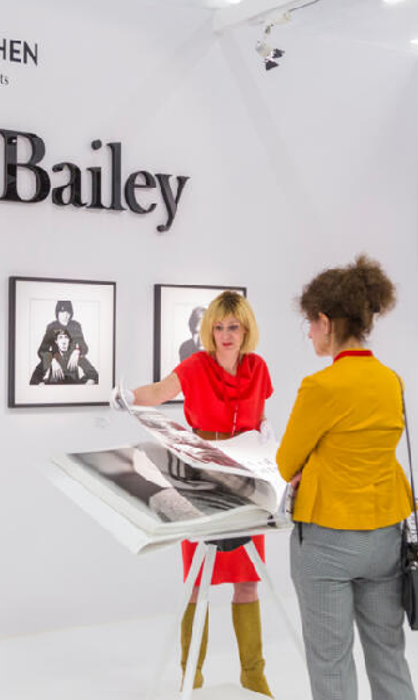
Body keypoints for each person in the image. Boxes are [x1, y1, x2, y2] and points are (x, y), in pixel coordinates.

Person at [111, 291, 274, 695]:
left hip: (246, 478)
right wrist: (129, 397)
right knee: (198, 582)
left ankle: (253, 675)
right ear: (208, 331)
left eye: (233, 327)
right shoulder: (197, 365)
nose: (225, 335)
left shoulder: (257, 367)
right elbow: (160, 391)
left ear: (246, 330)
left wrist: (265, 430)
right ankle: (191, 675)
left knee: (248, 580)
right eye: (218, 327)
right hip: (200, 477)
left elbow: (259, 411)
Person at [277, 255, 416, 700]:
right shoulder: (390, 380)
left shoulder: (321, 386)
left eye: (311, 324)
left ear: (325, 321)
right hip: (385, 536)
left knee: (332, 664)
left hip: (327, 540)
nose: (310, 334)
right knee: (389, 655)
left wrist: (311, 464)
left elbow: (286, 463)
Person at [35, 300, 89, 383]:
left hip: (72, 371)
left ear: (71, 313)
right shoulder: (52, 327)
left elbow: (85, 348)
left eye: (68, 313)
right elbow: (41, 351)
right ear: (57, 313)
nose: (65, 316)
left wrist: (77, 351)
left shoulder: (76, 326)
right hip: (56, 370)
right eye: (62, 312)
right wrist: (52, 360)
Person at [29, 328, 98, 385]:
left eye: (66, 337)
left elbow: (94, 374)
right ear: (56, 341)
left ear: (69, 341)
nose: (64, 342)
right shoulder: (50, 356)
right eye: (60, 338)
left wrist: (90, 382)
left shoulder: (75, 355)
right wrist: (41, 385)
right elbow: (34, 378)